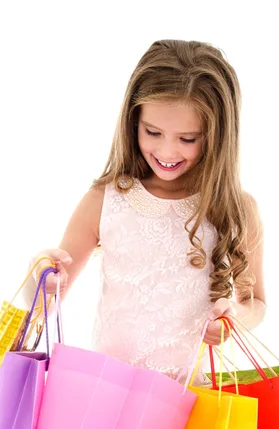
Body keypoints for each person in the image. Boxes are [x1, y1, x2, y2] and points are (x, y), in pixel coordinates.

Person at [24, 39, 266, 382]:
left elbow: (255, 300)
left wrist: (236, 317)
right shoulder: (104, 200)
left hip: (193, 400)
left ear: (217, 136)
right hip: (109, 393)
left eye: (188, 138)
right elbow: (51, 297)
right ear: (133, 121)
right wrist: (43, 277)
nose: (167, 150)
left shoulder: (236, 208)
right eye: (153, 132)